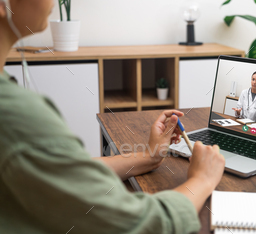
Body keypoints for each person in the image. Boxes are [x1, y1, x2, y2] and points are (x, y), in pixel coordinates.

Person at [0, 1, 225, 233]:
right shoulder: (16, 114)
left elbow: (70, 173)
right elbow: (139, 224)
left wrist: (148, 157)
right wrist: (202, 180)